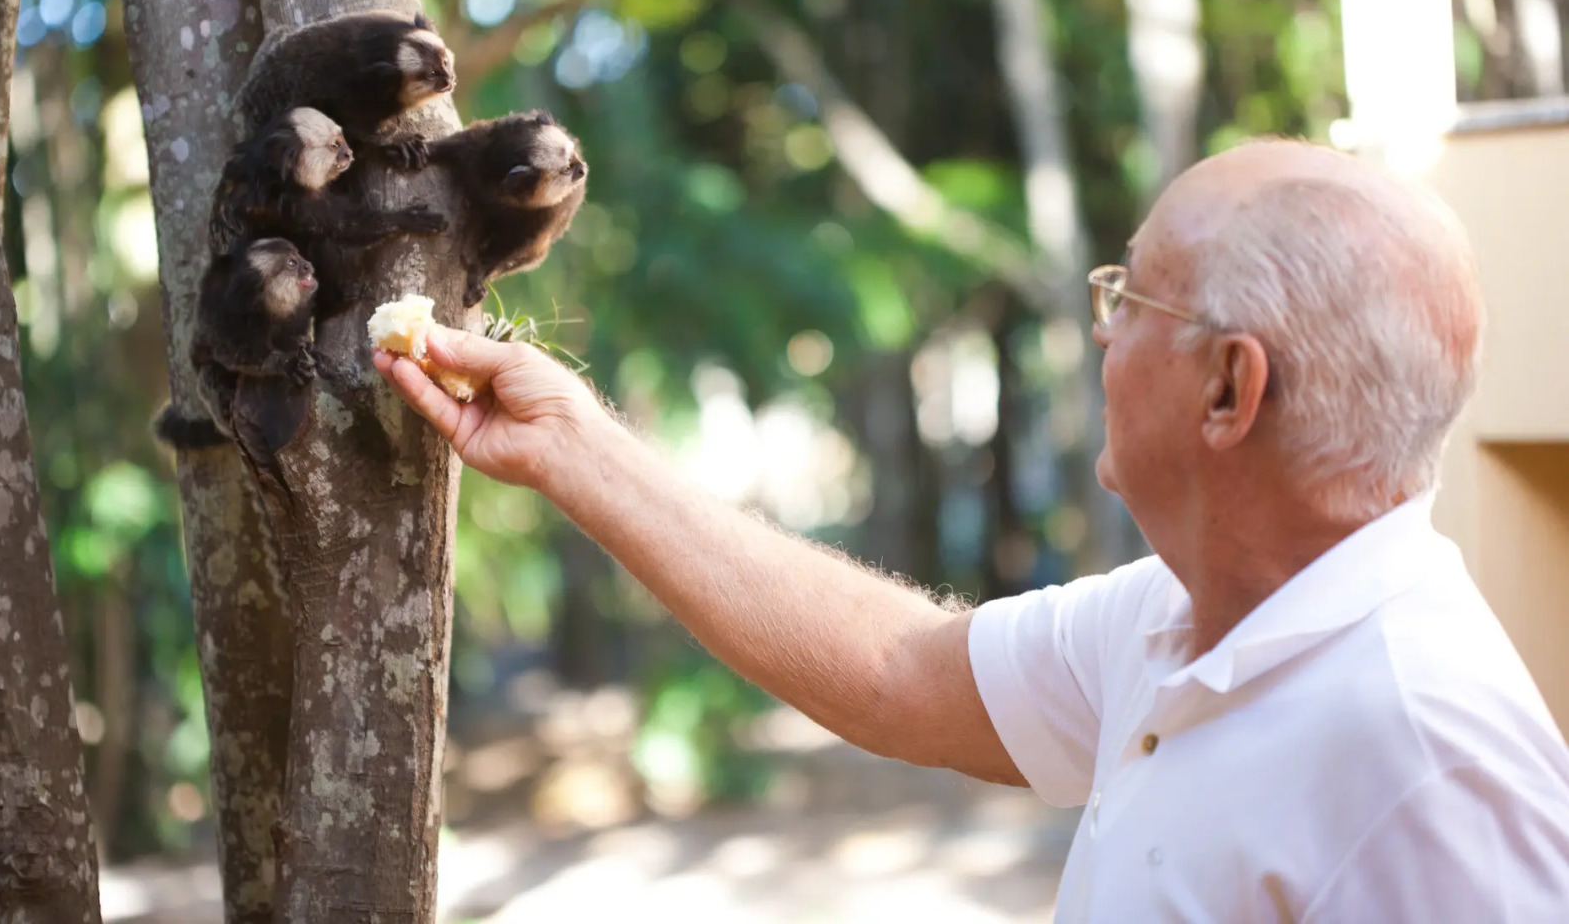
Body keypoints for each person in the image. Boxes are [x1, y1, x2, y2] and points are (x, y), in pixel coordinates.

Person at [374, 139, 1569, 920]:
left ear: (1228, 390)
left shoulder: (1428, 763)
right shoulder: (1184, 619)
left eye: (1131, 296)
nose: (1104, 334)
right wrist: (576, 446)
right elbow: (902, 675)